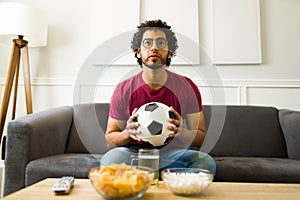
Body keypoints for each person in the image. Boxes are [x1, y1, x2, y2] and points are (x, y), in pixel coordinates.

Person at [100, 19, 216, 175]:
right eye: (147, 43)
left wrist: (183, 133)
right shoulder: (123, 89)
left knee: (205, 161)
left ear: (169, 52)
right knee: (111, 159)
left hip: (173, 154)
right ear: (138, 52)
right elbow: (110, 140)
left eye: (161, 43)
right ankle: (157, 181)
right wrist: (127, 133)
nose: (154, 47)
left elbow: (201, 137)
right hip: (135, 154)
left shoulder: (187, 87)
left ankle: (149, 180)